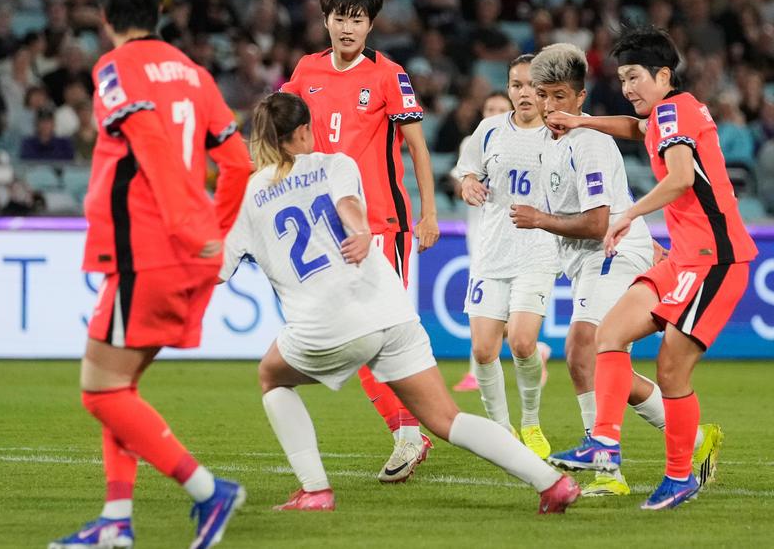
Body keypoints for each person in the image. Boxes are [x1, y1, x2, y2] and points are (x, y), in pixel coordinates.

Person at [220, 91, 580, 513]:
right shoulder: (337, 163)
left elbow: (216, 270)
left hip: (325, 323)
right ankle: (552, 483)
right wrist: (357, 232)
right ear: (302, 130)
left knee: (272, 377)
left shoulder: (248, 197)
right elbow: (350, 205)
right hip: (389, 310)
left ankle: (315, 490)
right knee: (447, 419)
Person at [48, 0, 252, 549]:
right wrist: (212, 230)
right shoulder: (194, 73)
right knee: (120, 392)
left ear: (105, 14)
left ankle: (209, 491)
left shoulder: (114, 69)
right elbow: (236, 162)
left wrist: (190, 228)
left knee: (99, 391)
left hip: (149, 252)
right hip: (185, 254)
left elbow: (151, 144)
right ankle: (115, 521)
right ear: (161, 9)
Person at [542, 29, 741, 510]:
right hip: (682, 258)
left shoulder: (675, 111)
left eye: (634, 77)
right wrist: (584, 120)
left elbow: (678, 179)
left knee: (670, 369)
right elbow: (637, 130)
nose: (628, 87)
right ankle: (604, 444)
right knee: (607, 336)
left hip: (716, 258)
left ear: (663, 75)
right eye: (622, 78)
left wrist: (628, 215)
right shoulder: (670, 114)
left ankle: (678, 477)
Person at [281, 0, 441, 483]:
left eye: (358, 19)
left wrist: (429, 213)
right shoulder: (306, 70)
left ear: (371, 24)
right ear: (325, 19)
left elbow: (417, 148)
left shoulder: (390, 74)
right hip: (324, 228)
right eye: (340, 17)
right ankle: (411, 430)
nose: (348, 27)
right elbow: (281, 128)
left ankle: (413, 432)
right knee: (353, 338)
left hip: (380, 225)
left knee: (377, 332)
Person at [453, 54, 558, 457]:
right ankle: (501, 429)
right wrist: (468, 185)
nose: (524, 92)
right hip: (491, 254)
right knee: (482, 350)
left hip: (537, 253)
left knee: (524, 342)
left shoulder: (558, 133)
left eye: (532, 85)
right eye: (516, 85)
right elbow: (468, 173)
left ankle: (530, 421)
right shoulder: (489, 129)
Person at [450, 92, 513, 392]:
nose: (494, 113)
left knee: (489, 311)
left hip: (511, 240)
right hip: (480, 240)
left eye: (501, 109)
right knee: (489, 311)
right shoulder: (472, 142)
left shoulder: (519, 142)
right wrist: (467, 183)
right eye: (490, 107)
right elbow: (458, 178)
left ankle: (477, 372)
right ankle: (533, 348)